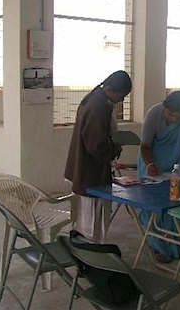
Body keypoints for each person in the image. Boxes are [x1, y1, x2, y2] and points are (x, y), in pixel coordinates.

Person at [137, 90, 180, 262]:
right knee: (154, 205)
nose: (174, 119)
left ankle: (178, 244)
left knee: (179, 204)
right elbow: (145, 145)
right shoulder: (154, 113)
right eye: (170, 114)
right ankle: (158, 245)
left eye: (179, 117)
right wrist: (151, 164)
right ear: (164, 106)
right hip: (153, 165)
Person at [65, 70, 132, 243]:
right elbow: (97, 146)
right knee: (92, 225)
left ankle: (87, 256)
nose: (122, 100)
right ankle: (91, 260)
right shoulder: (98, 107)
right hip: (91, 174)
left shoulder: (96, 99)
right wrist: (116, 147)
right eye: (121, 95)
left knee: (88, 221)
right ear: (109, 89)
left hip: (87, 170)